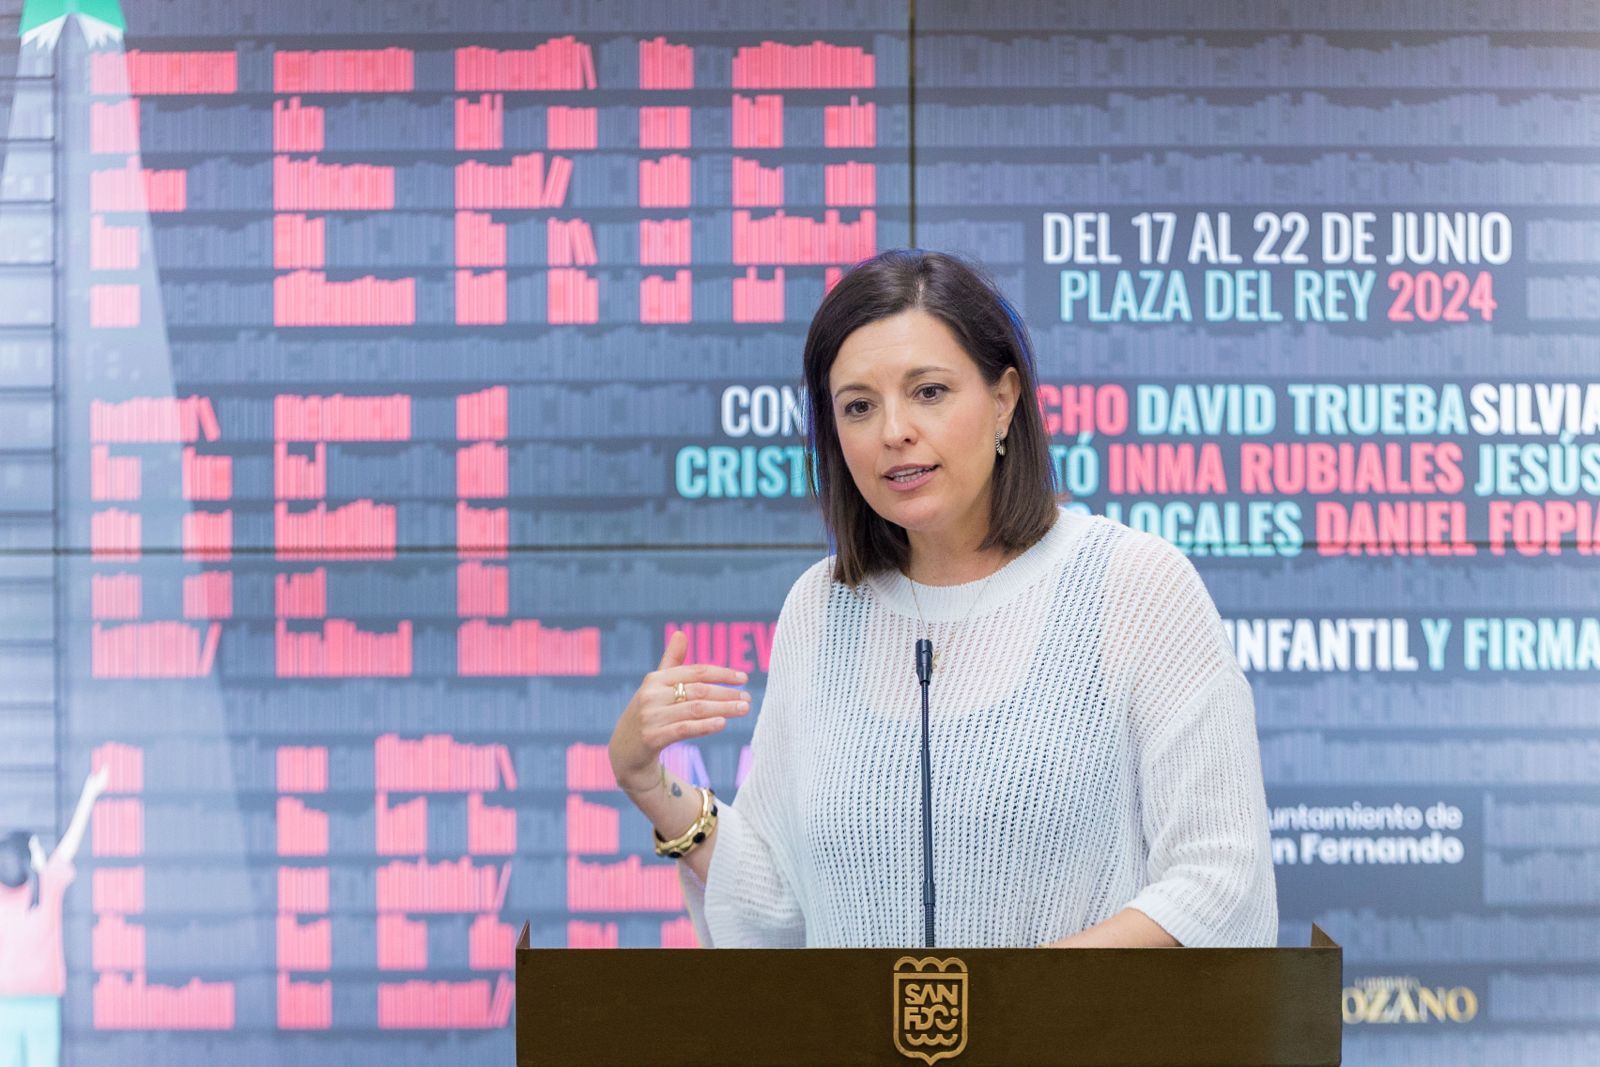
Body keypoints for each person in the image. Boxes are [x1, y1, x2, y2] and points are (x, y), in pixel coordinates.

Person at [608, 249, 1277, 949]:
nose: (894, 429)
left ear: (1004, 399)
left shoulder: (1133, 582)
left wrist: (1004, 1007)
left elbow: (1220, 878)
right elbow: (783, 908)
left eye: (928, 391)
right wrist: (648, 781)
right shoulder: (821, 606)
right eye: (859, 406)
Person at [0, 766, 109, 1067]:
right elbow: (71, 842)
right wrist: (90, 793)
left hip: (4, 1003)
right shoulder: (47, 885)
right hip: (43, 1002)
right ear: (31, 858)